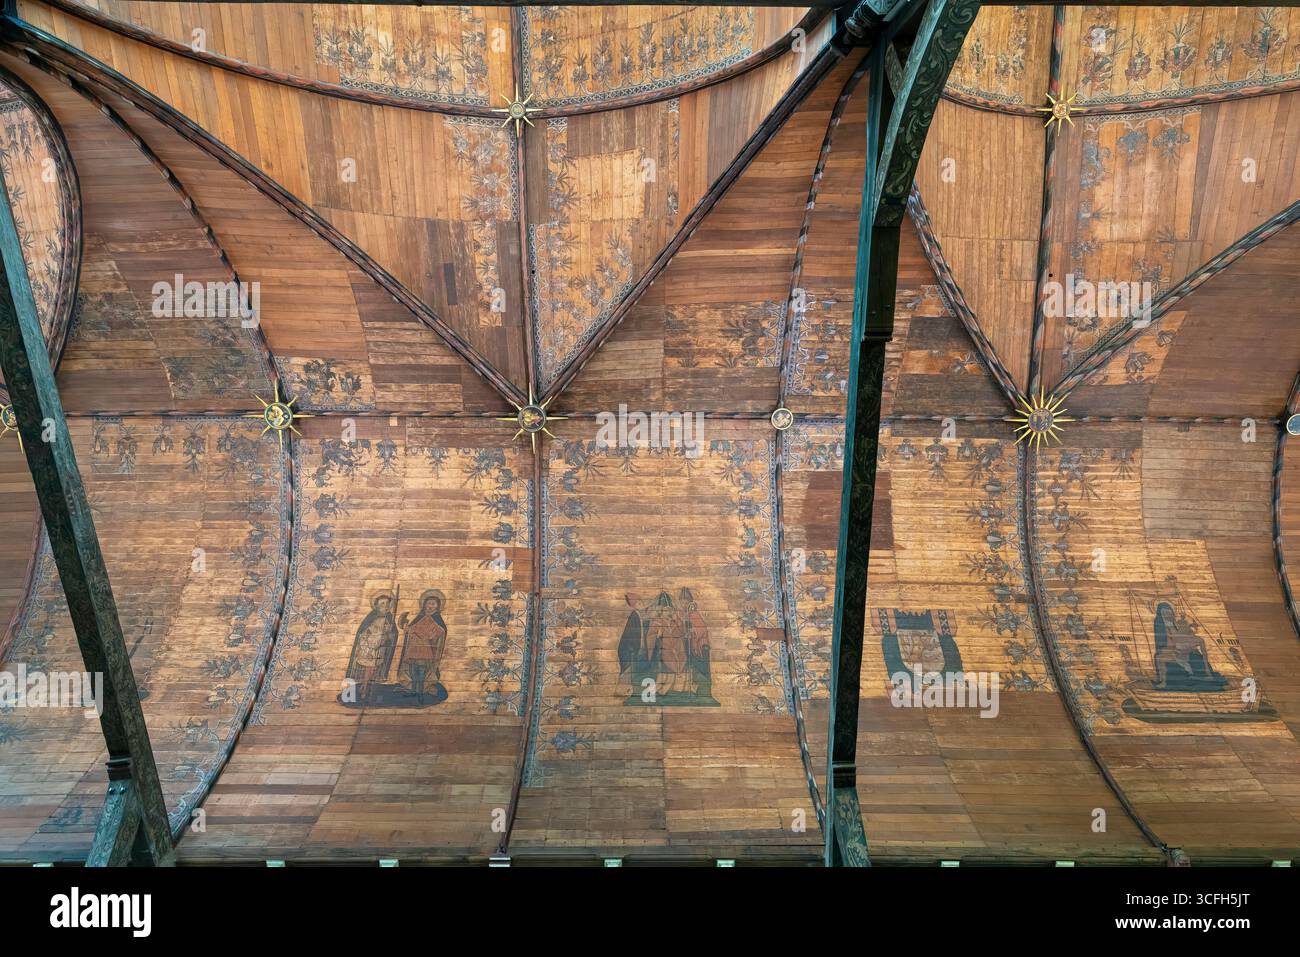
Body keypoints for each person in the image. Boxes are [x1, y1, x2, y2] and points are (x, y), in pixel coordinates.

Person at [344, 592, 398, 704]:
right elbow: (362, 634)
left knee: (374, 669)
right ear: (377, 606)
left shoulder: (389, 620)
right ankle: (364, 687)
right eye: (382, 604)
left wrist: (390, 635)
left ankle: (368, 688)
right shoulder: (371, 618)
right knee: (368, 668)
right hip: (369, 649)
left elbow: (392, 635)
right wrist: (367, 647)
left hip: (380, 650)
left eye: (387, 604)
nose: (386, 606)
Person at [397, 590, 448, 701]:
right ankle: (414, 691)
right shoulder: (420, 617)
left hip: (425, 650)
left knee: (421, 671)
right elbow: (411, 630)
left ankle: (420, 692)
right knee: (413, 670)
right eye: (428, 603)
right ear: (424, 605)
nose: (430, 606)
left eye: (433, 604)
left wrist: (425, 634)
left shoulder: (436, 621)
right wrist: (405, 626)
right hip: (414, 649)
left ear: (437, 607)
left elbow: (438, 633)